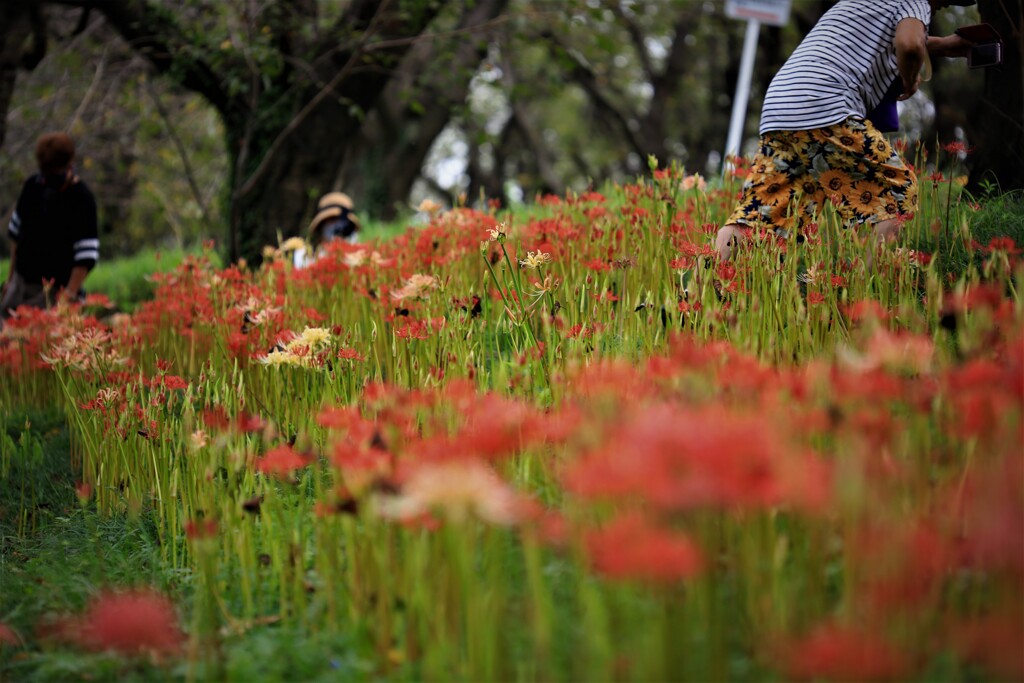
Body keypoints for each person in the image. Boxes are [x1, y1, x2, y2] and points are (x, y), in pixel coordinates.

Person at [715, 0, 975, 262]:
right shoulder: (915, 1)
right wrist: (910, 78)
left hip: (781, 105)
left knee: (759, 212)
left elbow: (897, 40)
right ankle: (867, 295)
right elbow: (908, 44)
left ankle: (702, 293)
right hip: (824, 104)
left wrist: (944, 46)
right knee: (897, 188)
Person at [2, 132, 99, 322]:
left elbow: (85, 258)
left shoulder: (81, 198)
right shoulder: (33, 186)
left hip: (55, 293)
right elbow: (17, 237)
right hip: (21, 286)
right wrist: (11, 279)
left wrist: (68, 297)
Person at [293, 191, 361, 268]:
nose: (338, 227)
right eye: (332, 219)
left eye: (342, 221)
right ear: (322, 225)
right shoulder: (302, 256)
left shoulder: (358, 259)